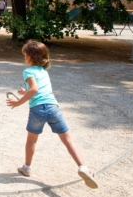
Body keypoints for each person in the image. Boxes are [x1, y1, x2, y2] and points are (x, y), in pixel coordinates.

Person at [6, 41, 98, 189]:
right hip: (53, 107)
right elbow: (38, 89)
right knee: (67, 139)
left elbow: (34, 90)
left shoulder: (28, 71)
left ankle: (27, 167)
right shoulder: (44, 72)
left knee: (32, 140)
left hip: (38, 109)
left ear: (29, 56)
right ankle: (83, 167)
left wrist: (18, 102)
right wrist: (25, 92)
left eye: (25, 55)